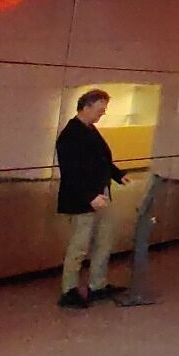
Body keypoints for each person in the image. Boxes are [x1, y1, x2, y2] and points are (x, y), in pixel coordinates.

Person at [55, 89, 127, 308]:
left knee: (103, 242)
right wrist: (89, 196)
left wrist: (118, 175)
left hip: (100, 196)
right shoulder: (70, 135)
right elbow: (71, 172)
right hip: (83, 201)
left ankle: (98, 284)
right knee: (79, 247)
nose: (102, 113)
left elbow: (101, 160)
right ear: (86, 107)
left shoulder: (90, 129)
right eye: (100, 109)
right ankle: (69, 290)